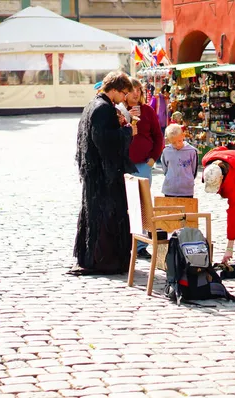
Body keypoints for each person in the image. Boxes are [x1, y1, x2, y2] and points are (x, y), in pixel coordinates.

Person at [70, 71, 137, 276]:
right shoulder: (103, 108)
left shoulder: (93, 104)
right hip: (103, 176)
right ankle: (104, 260)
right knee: (106, 216)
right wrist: (128, 132)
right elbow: (104, 141)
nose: (125, 97)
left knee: (96, 215)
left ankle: (96, 258)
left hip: (96, 174)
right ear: (114, 90)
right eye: (124, 93)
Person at [125, 77, 165, 259]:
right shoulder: (119, 111)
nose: (136, 93)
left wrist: (153, 159)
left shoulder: (148, 111)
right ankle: (125, 241)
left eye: (138, 90)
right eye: (132, 90)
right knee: (125, 203)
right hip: (124, 165)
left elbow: (158, 136)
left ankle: (141, 245)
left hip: (143, 165)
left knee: (143, 204)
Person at [161, 124, 198, 198]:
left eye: (179, 141)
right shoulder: (166, 151)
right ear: (168, 140)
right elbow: (165, 168)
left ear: (183, 136)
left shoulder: (192, 151)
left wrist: (188, 179)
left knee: (187, 209)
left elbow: (194, 170)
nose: (177, 144)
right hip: (170, 189)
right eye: (173, 142)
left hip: (187, 190)